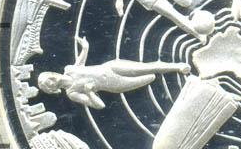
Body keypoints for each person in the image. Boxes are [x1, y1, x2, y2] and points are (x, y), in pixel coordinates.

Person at [38, 36, 190, 110]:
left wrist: (84, 47)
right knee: (149, 78)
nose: (52, 79)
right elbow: (99, 105)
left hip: (111, 67)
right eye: (48, 83)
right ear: (52, 89)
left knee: (148, 68)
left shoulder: (70, 69)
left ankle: (178, 67)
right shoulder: (72, 93)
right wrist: (89, 92)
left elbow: (82, 60)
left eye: (49, 76)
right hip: (115, 84)